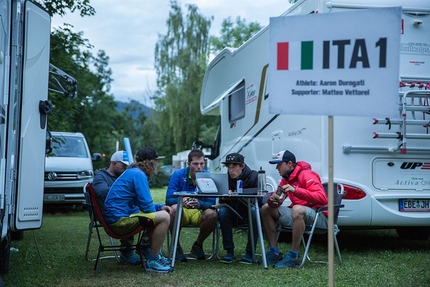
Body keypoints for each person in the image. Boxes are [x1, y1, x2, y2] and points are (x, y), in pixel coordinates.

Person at [104, 147, 173, 273]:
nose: (157, 165)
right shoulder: (139, 175)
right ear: (151, 163)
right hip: (119, 222)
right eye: (156, 162)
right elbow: (147, 207)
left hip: (116, 218)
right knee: (164, 217)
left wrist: (159, 207)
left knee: (160, 214)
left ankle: (151, 252)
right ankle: (153, 259)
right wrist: (160, 210)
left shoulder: (132, 172)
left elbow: (141, 204)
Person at [260, 150, 328, 268]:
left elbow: (322, 198)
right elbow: (277, 199)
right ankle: (274, 252)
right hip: (299, 215)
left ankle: (293, 256)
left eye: (279, 164)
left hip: (320, 216)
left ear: (289, 164)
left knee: (296, 208)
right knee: (265, 208)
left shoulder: (307, 174)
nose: (277, 167)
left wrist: (295, 190)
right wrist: (273, 202)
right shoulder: (286, 178)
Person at [165, 149, 218, 261]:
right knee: (174, 209)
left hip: (198, 211)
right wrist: (181, 200)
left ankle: (197, 245)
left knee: (212, 214)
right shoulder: (178, 175)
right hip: (181, 211)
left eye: (201, 163)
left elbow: (211, 202)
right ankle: (176, 246)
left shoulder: (208, 176)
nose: (199, 167)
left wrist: (200, 204)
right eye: (195, 164)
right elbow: (168, 199)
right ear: (188, 164)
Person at [92, 150, 142, 265]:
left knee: (151, 213)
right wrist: (126, 189)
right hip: (110, 215)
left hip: (126, 210)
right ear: (114, 163)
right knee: (131, 215)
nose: (126, 168)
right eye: (124, 165)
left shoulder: (124, 176)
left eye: (128, 166)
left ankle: (144, 247)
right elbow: (103, 192)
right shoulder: (100, 177)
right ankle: (127, 251)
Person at [218, 153, 259, 264]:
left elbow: (259, 200)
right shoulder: (225, 179)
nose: (230, 170)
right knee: (223, 211)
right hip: (233, 214)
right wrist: (225, 197)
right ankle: (229, 251)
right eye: (228, 167)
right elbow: (220, 201)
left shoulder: (254, 176)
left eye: (233, 167)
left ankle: (250, 252)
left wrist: (238, 195)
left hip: (248, 213)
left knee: (255, 212)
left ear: (242, 166)